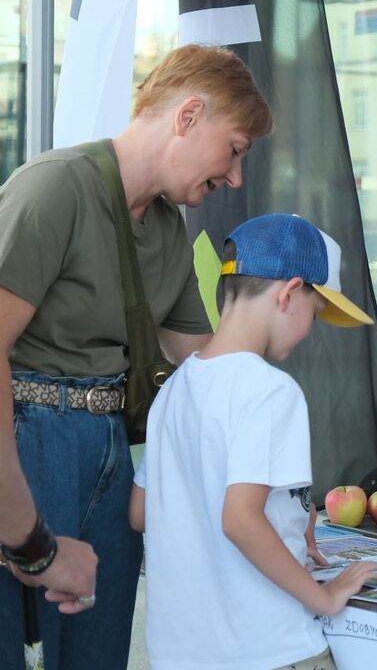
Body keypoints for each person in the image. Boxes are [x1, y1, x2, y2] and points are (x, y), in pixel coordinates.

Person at [0, 44, 272, 669]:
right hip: (27, 449)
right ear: (188, 115)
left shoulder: (170, 229)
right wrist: (30, 541)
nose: (234, 177)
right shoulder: (54, 188)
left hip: (112, 458)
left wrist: (278, 487)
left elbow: (205, 366)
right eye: (234, 149)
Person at [130, 213, 377, 670]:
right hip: (271, 651)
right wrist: (324, 597)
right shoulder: (272, 390)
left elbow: (141, 511)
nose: (310, 330)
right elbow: (240, 520)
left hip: (178, 656)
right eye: (316, 312)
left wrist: (291, 510)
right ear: (289, 293)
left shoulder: (174, 389)